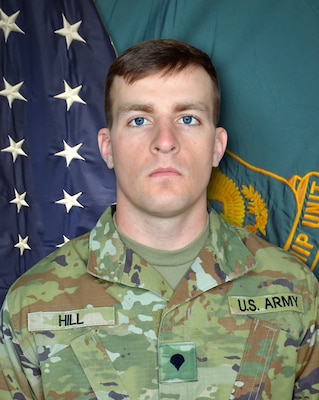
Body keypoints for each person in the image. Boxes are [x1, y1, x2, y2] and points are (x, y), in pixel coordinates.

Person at [0, 39, 318, 400]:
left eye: (187, 119)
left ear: (217, 145)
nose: (165, 141)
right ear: (108, 147)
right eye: (139, 120)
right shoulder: (31, 304)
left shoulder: (294, 290)